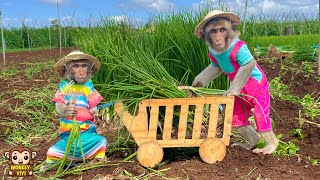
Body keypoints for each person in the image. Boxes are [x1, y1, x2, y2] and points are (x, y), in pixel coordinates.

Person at [191, 10, 279, 155]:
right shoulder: (213, 51)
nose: (218, 37)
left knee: (260, 114)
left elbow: (249, 65)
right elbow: (215, 67)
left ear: (230, 30)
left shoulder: (237, 47)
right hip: (238, 89)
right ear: (206, 35)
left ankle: (272, 143)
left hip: (255, 85)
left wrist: (234, 89)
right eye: (213, 32)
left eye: (222, 30)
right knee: (237, 116)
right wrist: (198, 82)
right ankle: (252, 140)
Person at [42, 50, 107, 170]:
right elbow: (58, 106)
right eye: (76, 66)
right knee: (52, 152)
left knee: (102, 141)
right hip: (68, 136)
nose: (81, 71)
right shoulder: (64, 86)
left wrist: (97, 111)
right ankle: (82, 158)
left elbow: (94, 108)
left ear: (89, 69)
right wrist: (65, 110)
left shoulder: (89, 85)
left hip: (86, 134)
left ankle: (81, 159)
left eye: (84, 66)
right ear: (68, 70)